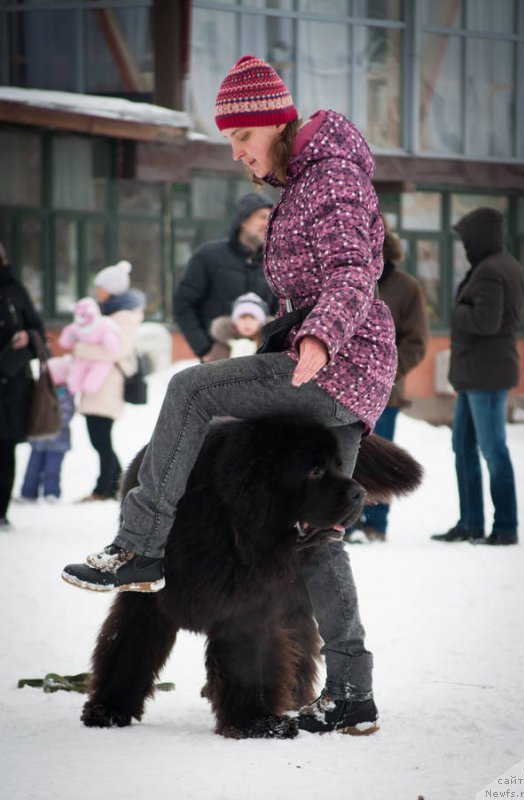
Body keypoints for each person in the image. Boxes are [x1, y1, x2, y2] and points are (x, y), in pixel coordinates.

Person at [62, 55, 397, 734]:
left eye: (240, 138)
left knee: (189, 388)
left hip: (332, 366)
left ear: (272, 121)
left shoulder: (329, 177)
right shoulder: (304, 180)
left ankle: (139, 545)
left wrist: (319, 337)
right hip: (339, 369)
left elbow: (353, 270)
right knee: (322, 537)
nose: (237, 153)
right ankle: (353, 691)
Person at [431, 207, 524, 546]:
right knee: (464, 446)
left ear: (480, 238)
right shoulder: (499, 265)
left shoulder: (491, 271)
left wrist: (455, 310)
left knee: (492, 449)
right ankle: (470, 522)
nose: (464, 245)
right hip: (478, 374)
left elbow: (486, 322)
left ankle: (506, 526)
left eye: (466, 239)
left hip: (486, 374)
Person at [345, 224, 429, 542]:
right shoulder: (350, 283)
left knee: (383, 461)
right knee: (348, 458)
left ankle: (376, 526)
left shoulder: (408, 288)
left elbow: (416, 342)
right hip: (346, 391)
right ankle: (347, 523)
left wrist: (386, 371)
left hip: (386, 393)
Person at [173, 192, 277, 362]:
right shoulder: (208, 256)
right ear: (243, 220)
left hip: (260, 363)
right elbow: (183, 304)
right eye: (262, 217)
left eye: (271, 218)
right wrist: (204, 349)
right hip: (216, 360)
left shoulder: (276, 262)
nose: (268, 223)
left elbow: (281, 313)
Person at [73, 260, 145, 502]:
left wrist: (80, 348)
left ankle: (106, 487)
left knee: (100, 438)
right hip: (97, 385)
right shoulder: (105, 312)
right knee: (99, 438)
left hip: (108, 384)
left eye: (101, 287)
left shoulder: (124, 315)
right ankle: (116, 484)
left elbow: (118, 350)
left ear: (113, 289)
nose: (97, 291)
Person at [0, 241, 46, 528]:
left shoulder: (14, 289)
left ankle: (1, 510)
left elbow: (38, 331)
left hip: (10, 384)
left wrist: (29, 337)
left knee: (4, 450)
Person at [17, 356, 75, 503]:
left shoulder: (65, 393)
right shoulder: (41, 391)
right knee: (33, 468)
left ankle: (52, 492)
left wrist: (53, 422)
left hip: (57, 440)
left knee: (52, 469)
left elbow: (67, 414)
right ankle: (28, 492)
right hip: (39, 439)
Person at [210, 291, 271, 358]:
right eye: (243, 317)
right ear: (235, 322)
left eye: (252, 318)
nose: (247, 323)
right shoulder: (221, 348)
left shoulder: (268, 347)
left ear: (261, 323)